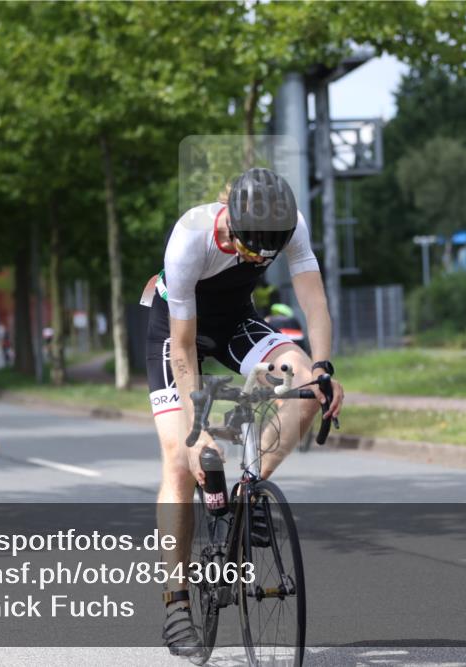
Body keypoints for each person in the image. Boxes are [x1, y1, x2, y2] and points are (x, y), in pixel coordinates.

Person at [144, 167, 344, 657]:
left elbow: (314, 302)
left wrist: (321, 368)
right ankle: (176, 605)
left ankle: (250, 489)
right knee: (179, 459)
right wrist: (196, 429)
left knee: (305, 381)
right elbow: (185, 347)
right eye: (252, 250)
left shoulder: (289, 224)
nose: (259, 259)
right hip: (175, 334)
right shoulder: (191, 238)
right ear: (231, 224)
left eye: (266, 253)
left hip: (237, 323)